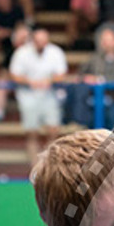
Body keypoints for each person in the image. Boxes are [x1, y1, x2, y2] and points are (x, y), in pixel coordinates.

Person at [9, 29, 68, 165]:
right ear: (33, 41)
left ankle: (48, 164)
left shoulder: (55, 52)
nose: (41, 44)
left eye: (43, 41)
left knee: (53, 130)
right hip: (28, 95)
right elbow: (14, 75)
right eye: (38, 41)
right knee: (31, 132)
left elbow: (61, 75)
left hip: (50, 95)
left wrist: (49, 81)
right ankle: (34, 166)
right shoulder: (22, 53)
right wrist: (31, 82)